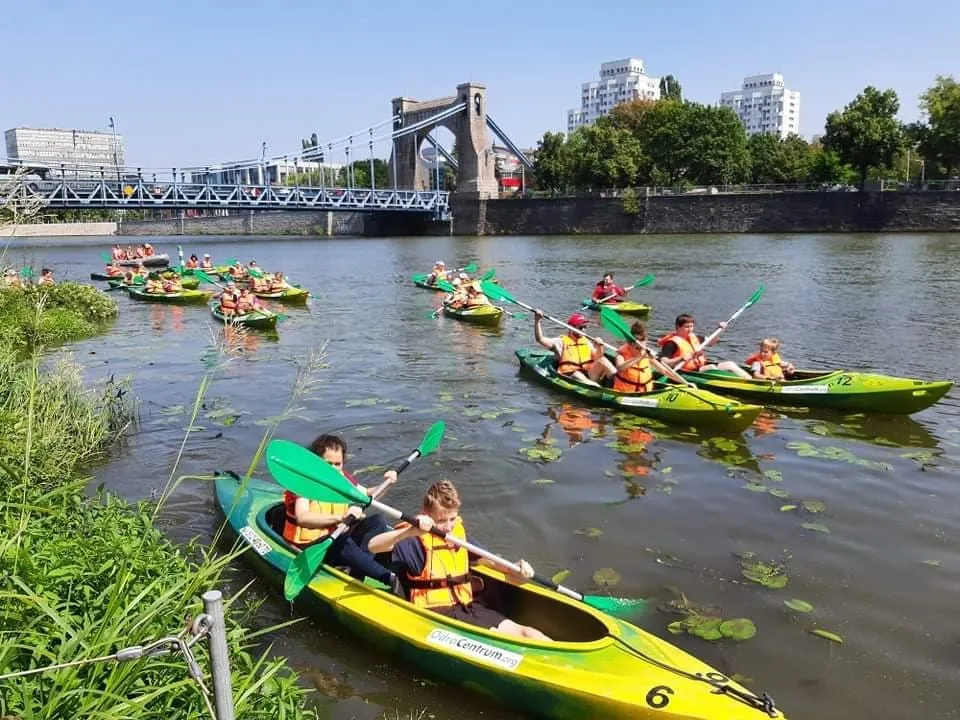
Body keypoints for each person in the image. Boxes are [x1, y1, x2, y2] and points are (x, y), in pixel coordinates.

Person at [367, 480, 551, 640]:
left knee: (529, 634)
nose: (448, 527)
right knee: (497, 636)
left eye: (452, 518)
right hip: (436, 613)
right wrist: (410, 532)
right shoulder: (414, 540)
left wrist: (518, 570)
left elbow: (494, 564)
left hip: (467, 605)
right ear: (426, 514)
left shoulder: (457, 535)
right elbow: (373, 546)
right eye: (441, 521)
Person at [282, 434, 402, 592]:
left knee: (377, 521)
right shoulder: (304, 483)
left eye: (337, 464)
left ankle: (357, 572)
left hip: (335, 538)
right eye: (328, 464)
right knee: (341, 540)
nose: (333, 469)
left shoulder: (342, 478)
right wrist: (340, 518)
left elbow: (368, 496)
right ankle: (389, 578)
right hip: (308, 547)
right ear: (316, 461)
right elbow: (303, 518)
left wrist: (388, 483)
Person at [534, 310, 615, 387]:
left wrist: (599, 346)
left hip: (589, 373)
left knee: (603, 360)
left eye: (585, 327)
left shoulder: (586, 342)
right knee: (577, 374)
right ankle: (597, 388)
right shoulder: (560, 341)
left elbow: (598, 358)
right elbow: (540, 339)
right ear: (571, 328)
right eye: (581, 328)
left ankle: (617, 383)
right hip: (571, 374)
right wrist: (537, 321)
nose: (583, 330)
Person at [657, 313, 751, 379]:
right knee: (712, 368)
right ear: (678, 327)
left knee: (729, 364)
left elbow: (711, 342)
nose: (690, 329)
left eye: (691, 326)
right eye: (687, 327)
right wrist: (681, 358)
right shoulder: (671, 343)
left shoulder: (695, 337)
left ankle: (750, 379)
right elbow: (664, 362)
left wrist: (720, 330)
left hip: (700, 368)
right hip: (688, 372)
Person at [613, 321, 695, 393]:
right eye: (637, 348)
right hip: (625, 392)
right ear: (629, 344)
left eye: (641, 347)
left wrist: (684, 383)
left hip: (644, 392)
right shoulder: (621, 354)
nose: (640, 350)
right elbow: (620, 368)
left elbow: (664, 371)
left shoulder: (647, 354)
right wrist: (640, 357)